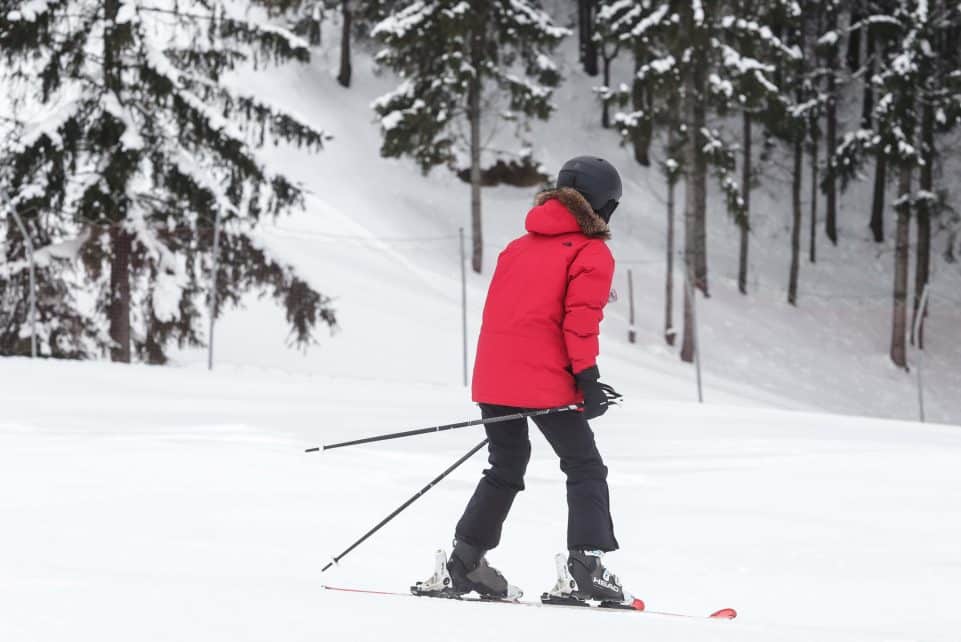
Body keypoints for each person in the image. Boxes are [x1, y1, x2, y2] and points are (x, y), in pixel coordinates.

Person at [415, 157, 627, 604]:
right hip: (545, 380)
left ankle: (465, 561)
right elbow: (579, 322)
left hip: (494, 378)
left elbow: (510, 319)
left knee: (506, 465)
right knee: (584, 465)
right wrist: (586, 379)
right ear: (604, 206)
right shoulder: (591, 252)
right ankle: (586, 567)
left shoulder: (517, 247)